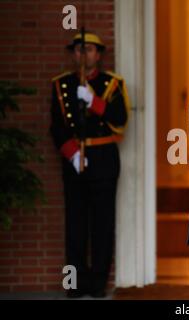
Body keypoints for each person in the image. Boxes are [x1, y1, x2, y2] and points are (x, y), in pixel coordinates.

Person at [50, 32, 130, 298]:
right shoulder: (61, 84)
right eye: (78, 50)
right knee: (75, 223)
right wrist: (72, 153)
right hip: (74, 160)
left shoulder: (112, 83)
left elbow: (120, 119)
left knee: (102, 223)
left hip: (104, 158)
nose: (83, 55)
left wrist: (94, 102)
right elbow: (57, 126)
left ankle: (97, 285)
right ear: (73, 54)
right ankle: (75, 283)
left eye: (89, 50)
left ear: (99, 54)